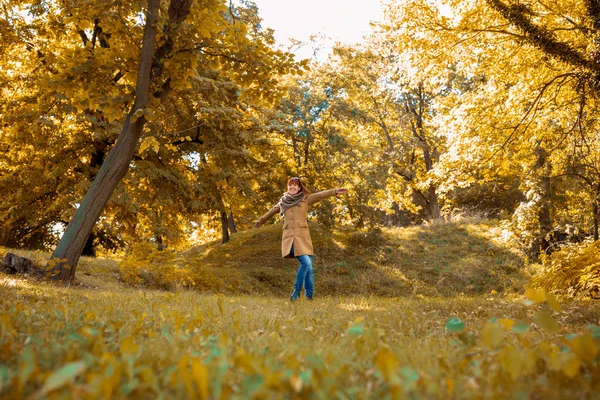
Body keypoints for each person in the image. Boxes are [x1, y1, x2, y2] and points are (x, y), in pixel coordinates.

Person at [254, 177, 349, 301]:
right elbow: (271, 211)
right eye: (290, 185)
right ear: (288, 188)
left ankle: (309, 297)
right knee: (306, 263)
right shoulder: (283, 202)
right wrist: (260, 221)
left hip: (304, 237)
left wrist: (334, 191)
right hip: (290, 238)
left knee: (310, 268)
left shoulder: (305, 199)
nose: (292, 187)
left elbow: (320, 195)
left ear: (299, 188)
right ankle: (296, 292)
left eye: (295, 185)